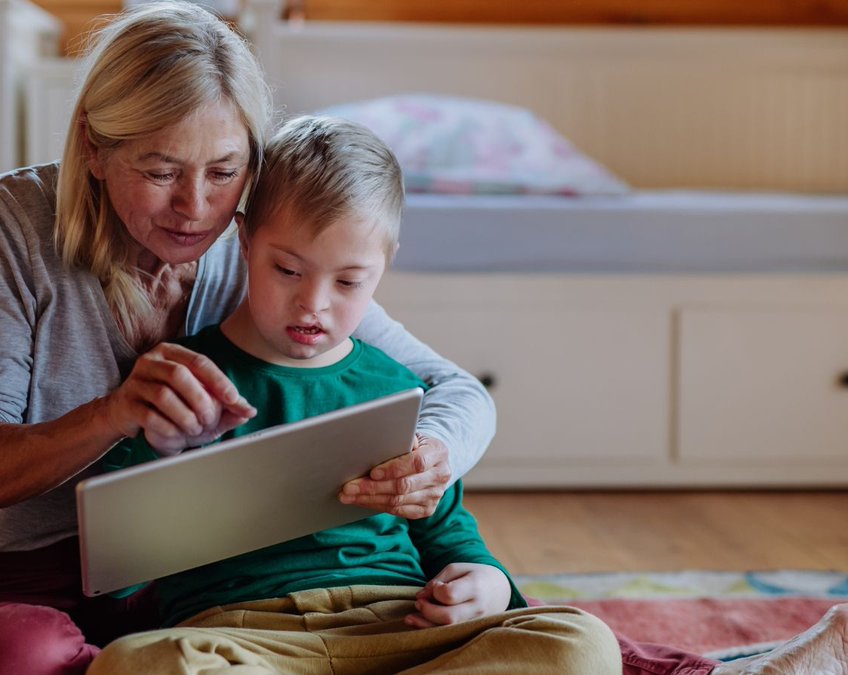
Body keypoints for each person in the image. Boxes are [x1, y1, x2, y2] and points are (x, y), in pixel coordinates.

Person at [0, 3, 498, 674]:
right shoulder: (4, 226)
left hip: (166, 585)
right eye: (161, 171)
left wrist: (435, 454)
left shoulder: (255, 247)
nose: (196, 208)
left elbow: (452, 389)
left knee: (558, 639)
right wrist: (113, 413)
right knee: (26, 655)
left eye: (224, 171)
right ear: (94, 149)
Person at [89, 114, 625, 674]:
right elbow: (119, 573)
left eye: (348, 282)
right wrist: (159, 447)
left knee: (580, 642)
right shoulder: (185, 379)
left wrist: (485, 583)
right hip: (245, 638)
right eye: (289, 270)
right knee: (136, 664)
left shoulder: (397, 388)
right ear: (244, 242)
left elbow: (449, 533)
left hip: (397, 624)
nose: (313, 303)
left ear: (383, 266)